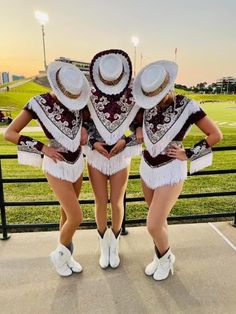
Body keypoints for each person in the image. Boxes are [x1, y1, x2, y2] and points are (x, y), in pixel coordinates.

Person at [132, 60, 223, 280]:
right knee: (159, 221)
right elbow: (133, 121)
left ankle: (166, 259)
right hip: (147, 168)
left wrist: (189, 154)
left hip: (171, 170)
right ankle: (159, 257)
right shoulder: (145, 104)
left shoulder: (187, 105)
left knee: (152, 225)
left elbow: (216, 135)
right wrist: (136, 128)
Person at [4, 61, 90, 277]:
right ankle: (59, 256)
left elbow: (87, 123)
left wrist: (84, 130)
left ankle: (67, 257)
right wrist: (43, 148)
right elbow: (10, 133)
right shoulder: (37, 103)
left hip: (77, 163)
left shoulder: (79, 101)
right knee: (76, 217)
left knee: (66, 214)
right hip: (55, 165)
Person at [83, 49, 141, 269]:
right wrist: (93, 144)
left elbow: (139, 128)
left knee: (116, 203)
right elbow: (82, 125)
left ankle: (114, 243)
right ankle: (102, 243)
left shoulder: (131, 96)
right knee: (100, 202)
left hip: (120, 155)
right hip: (96, 155)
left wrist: (125, 142)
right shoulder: (90, 95)